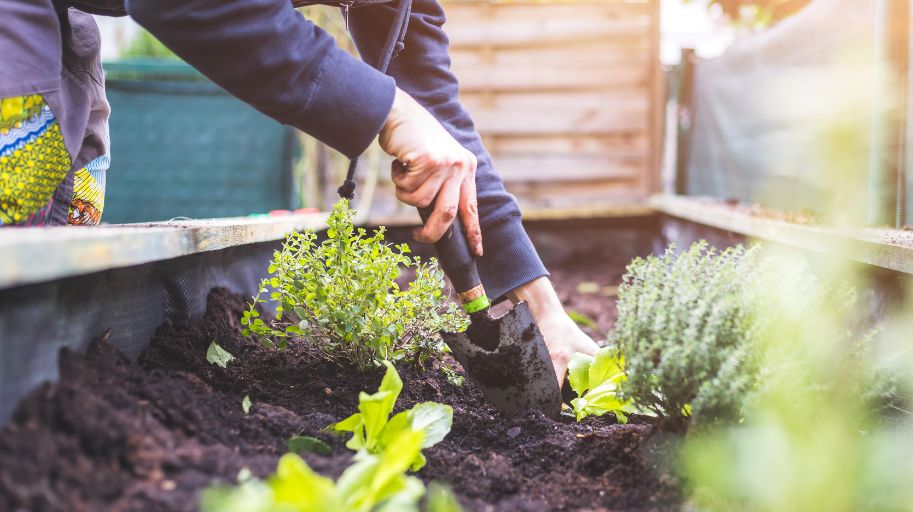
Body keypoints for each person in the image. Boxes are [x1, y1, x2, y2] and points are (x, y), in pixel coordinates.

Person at [1, 0, 598, 383]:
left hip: (64, 17)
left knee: (59, 274)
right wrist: (386, 109)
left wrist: (539, 302)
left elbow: (441, 126)